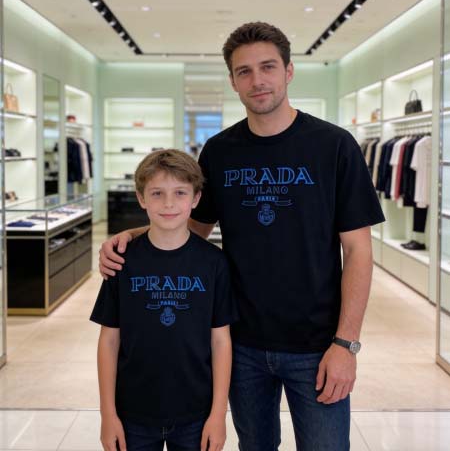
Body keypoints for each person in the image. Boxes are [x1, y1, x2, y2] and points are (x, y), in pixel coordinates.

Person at [99, 22, 385, 451]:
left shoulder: (334, 146)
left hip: (317, 344)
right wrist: (133, 236)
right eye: (244, 71)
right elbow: (190, 227)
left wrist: (346, 344)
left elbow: (358, 250)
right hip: (241, 343)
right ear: (233, 81)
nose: (257, 80)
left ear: (289, 71)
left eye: (267, 67)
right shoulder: (219, 151)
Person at [91, 149, 236, 451]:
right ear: (141, 198)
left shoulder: (214, 263)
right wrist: (108, 415)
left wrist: (218, 415)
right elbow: (109, 341)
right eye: (157, 193)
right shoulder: (121, 261)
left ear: (196, 199)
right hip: (133, 412)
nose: (169, 203)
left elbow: (221, 341)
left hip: (197, 412)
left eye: (180, 193)